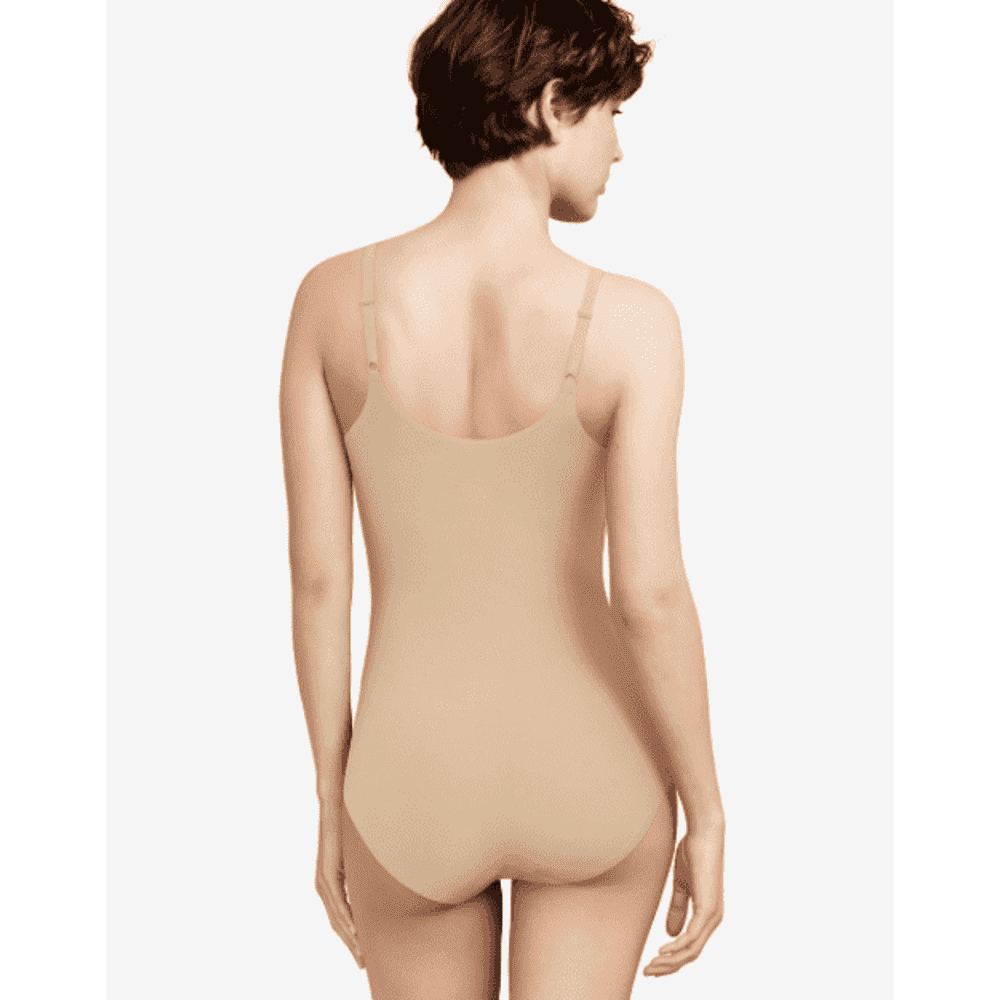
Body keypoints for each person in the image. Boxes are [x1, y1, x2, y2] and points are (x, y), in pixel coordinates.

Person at [279, 1, 725, 996]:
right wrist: (707, 809)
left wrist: (333, 799)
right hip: (593, 765)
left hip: (408, 777)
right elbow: (649, 595)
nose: (619, 149)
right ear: (555, 104)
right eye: (611, 113)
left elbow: (319, 582)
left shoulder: (327, 303)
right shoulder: (634, 323)